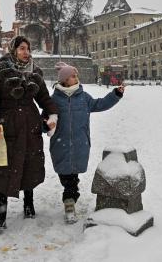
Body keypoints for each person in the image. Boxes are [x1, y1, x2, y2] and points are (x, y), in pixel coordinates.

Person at [0, 36, 58, 234]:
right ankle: (1, 214)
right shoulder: (1, 70)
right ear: (13, 49)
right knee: (2, 169)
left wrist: (53, 114)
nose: (26, 52)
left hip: (30, 126)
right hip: (7, 127)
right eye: (22, 48)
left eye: (28, 48)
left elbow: (44, 99)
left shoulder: (35, 72)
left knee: (29, 165)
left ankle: (29, 204)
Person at [49, 61, 124, 224]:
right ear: (64, 80)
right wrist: (45, 125)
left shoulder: (83, 97)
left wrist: (115, 94)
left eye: (76, 75)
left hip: (79, 143)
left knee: (72, 176)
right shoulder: (54, 99)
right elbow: (46, 118)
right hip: (60, 144)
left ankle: (69, 200)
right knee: (65, 175)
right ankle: (70, 195)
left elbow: (100, 104)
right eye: (72, 76)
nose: (76, 78)